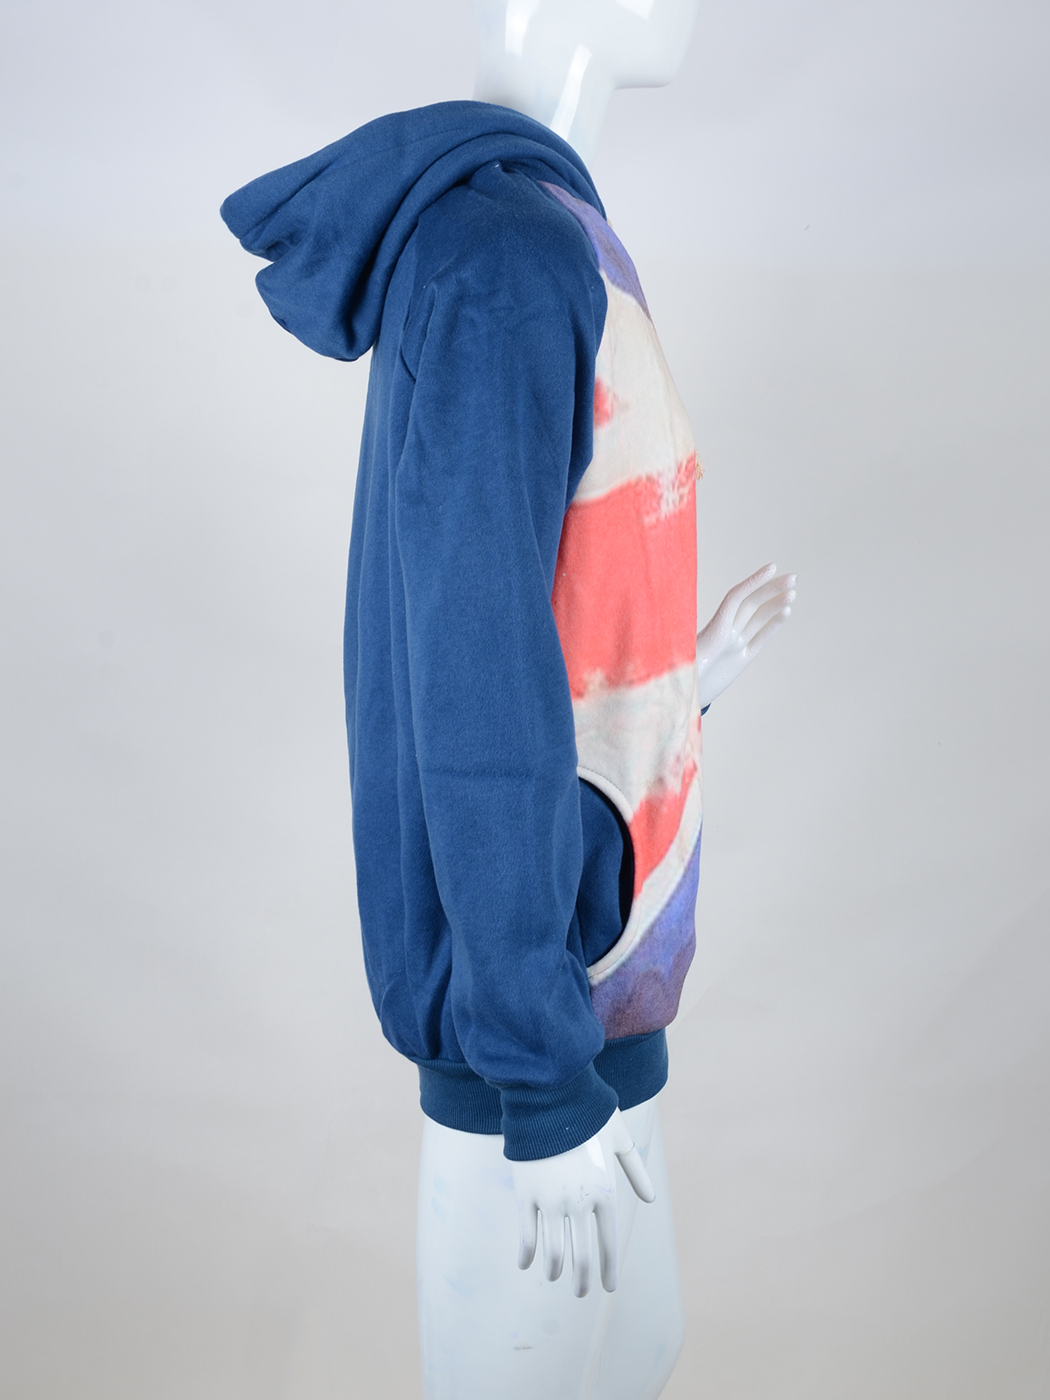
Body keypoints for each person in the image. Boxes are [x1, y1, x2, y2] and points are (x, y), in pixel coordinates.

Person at [222, 2, 795, 1393]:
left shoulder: (545, 228)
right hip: (532, 1012)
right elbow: (470, 678)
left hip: (592, 975)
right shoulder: (501, 257)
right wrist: (539, 1082)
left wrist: (683, 679)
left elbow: (547, 599)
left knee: (639, 1353)